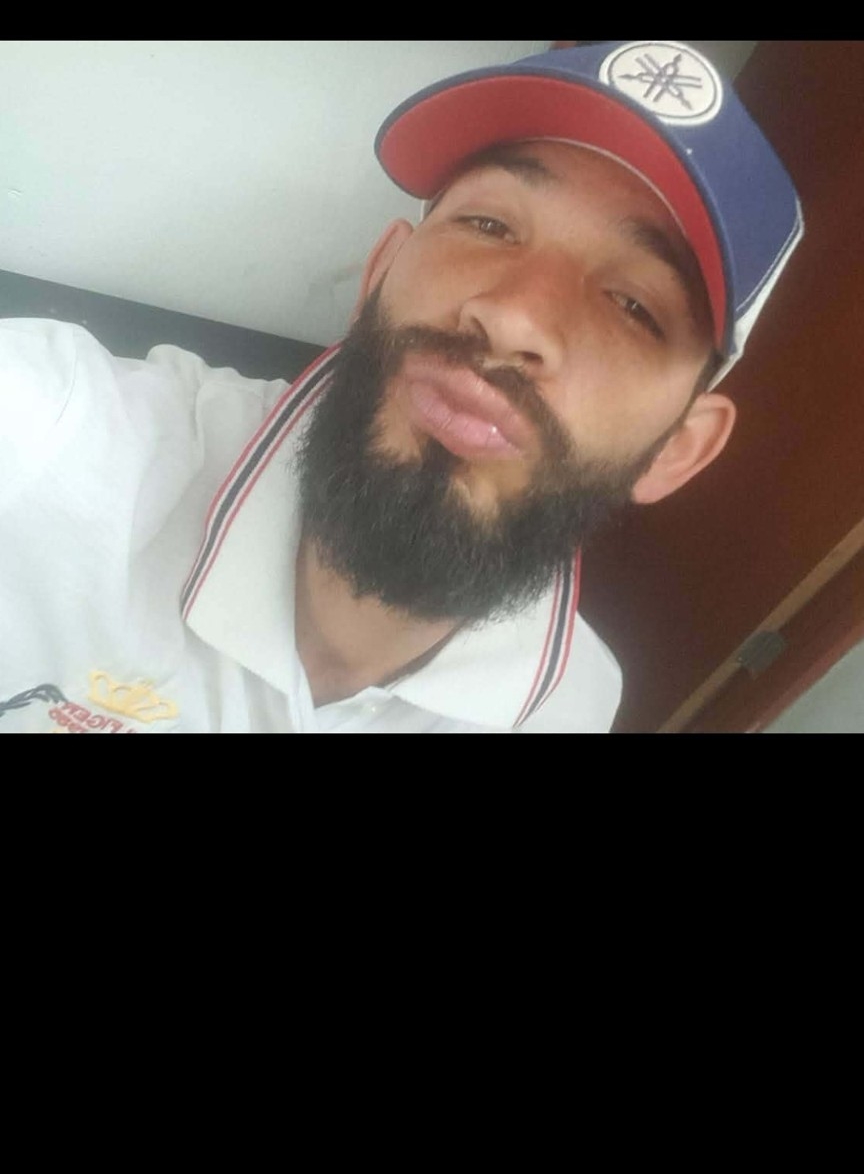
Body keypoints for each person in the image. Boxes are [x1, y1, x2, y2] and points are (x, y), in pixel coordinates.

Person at [0, 42, 804, 735]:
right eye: (489, 225)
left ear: (676, 451)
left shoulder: (569, 707)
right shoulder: (60, 447)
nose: (513, 317)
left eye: (634, 306)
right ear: (379, 273)